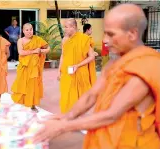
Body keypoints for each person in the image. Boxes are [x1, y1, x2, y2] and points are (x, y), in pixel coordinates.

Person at [33, 4, 160, 149]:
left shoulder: (145, 66)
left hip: (134, 143)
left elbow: (112, 114)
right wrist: (65, 116)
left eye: (111, 34)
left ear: (132, 34)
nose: (105, 40)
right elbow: (91, 96)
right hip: (107, 140)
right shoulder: (114, 63)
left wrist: (63, 126)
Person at [58, 19, 97, 114]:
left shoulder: (83, 39)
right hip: (67, 72)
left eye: (66, 27)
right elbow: (63, 55)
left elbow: (91, 56)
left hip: (80, 72)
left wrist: (78, 65)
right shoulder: (64, 40)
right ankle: (68, 117)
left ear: (73, 27)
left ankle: (76, 118)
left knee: (80, 98)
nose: (65, 29)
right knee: (66, 95)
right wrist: (59, 70)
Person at [11, 23, 50, 112]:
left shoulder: (37, 39)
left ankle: (33, 105)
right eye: (27, 30)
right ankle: (23, 103)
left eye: (31, 29)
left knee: (33, 86)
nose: (29, 32)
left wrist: (40, 50)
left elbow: (48, 48)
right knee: (22, 85)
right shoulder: (20, 40)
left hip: (34, 67)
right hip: (24, 67)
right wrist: (34, 51)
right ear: (23, 31)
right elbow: (21, 52)